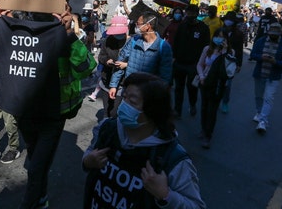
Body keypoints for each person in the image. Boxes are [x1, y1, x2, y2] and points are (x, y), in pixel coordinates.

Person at [0, 4, 95, 209]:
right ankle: (41, 197)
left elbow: (86, 68)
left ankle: (30, 203)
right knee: (37, 160)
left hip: (53, 114)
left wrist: (69, 34)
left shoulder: (64, 35)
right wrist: (1, 20)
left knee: (36, 167)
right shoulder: (19, 29)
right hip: (26, 110)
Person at [82, 72, 205, 208]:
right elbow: (89, 155)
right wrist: (87, 161)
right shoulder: (107, 128)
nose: (124, 105)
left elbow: (196, 205)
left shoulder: (173, 158)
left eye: (132, 102)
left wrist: (165, 195)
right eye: (124, 97)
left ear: (153, 111)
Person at [108, 12, 173, 102]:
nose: (136, 25)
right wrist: (113, 85)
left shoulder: (163, 47)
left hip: (149, 96)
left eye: (138, 23)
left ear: (147, 26)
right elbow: (119, 63)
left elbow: (165, 76)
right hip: (129, 91)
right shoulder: (133, 41)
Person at [250, 23, 282, 133]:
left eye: (276, 34)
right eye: (271, 33)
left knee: (269, 98)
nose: (273, 36)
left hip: (273, 77)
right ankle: (259, 112)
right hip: (259, 73)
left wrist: (276, 62)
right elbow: (253, 54)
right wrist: (261, 57)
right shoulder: (261, 41)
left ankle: (263, 121)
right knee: (259, 96)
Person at [196, 29, 234, 148]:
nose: (218, 39)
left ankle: (208, 135)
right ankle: (203, 129)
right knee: (204, 107)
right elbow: (200, 64)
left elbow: (228, 70)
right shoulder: (208, 49)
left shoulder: (230, 52)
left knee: (212, 110)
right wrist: (201, 76)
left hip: (218, 84)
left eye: (222, 37)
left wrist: (224, 52)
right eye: (217, 36)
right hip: (205, 81)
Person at [172, 4, 210, 118]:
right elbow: (176, 42)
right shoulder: (182, 26)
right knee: (178, 88)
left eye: (192, 13)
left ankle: (192, 104)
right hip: (179, 62)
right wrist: (174, 58)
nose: (189, 15)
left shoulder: (203, 28)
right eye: (188, 13)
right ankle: (177, 110)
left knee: (192, 87)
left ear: (197, 14)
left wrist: (202, 65)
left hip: (194, 64)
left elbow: (206, 47)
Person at [88, 16, 128, 116]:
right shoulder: (108, 40)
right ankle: (106, 125)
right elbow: (101, 56)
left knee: (115, 110)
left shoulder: (131, 43)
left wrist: (126, 65)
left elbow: (137, 62)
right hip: (107, 79)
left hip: (122, 83)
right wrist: (107, 61)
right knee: (107, 109)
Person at [219, 11, 244, 113]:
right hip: (218, 58)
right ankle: (215, 100)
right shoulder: (220, 31)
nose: (228, 22)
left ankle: (225, 102)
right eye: (227, 19)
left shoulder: (238, 34)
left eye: (230, 20)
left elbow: (239, 50)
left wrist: (239, 64)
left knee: (227, 84)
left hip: (230, 61)